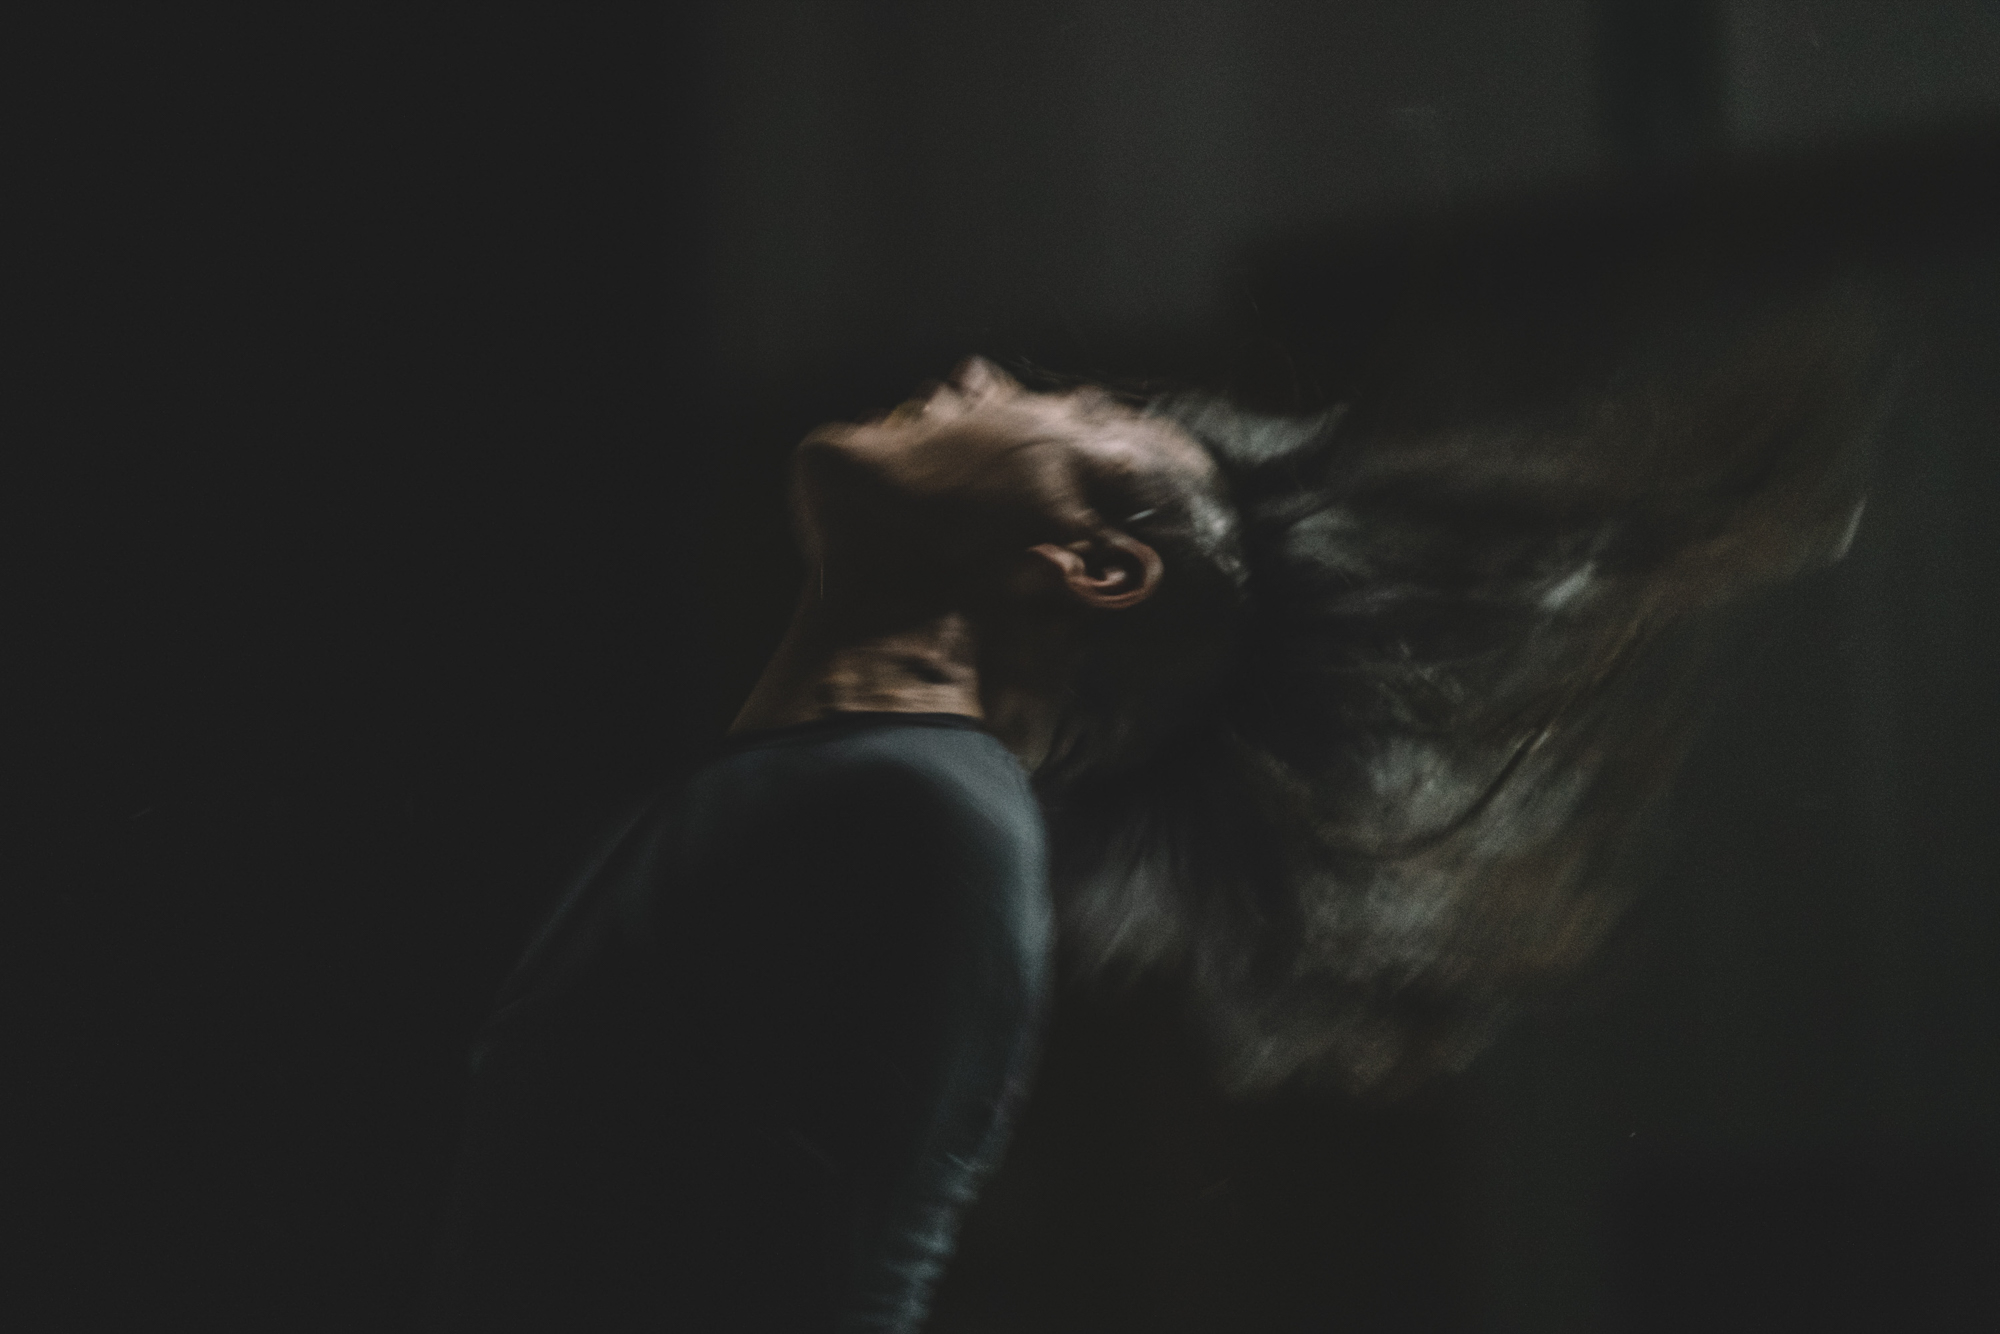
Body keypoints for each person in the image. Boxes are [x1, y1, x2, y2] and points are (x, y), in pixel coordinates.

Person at [427, 335, 1871, 1329]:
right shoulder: (852, 801)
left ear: (1098, 562)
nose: (985, 374)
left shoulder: (913, 814)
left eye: (1062, 406)